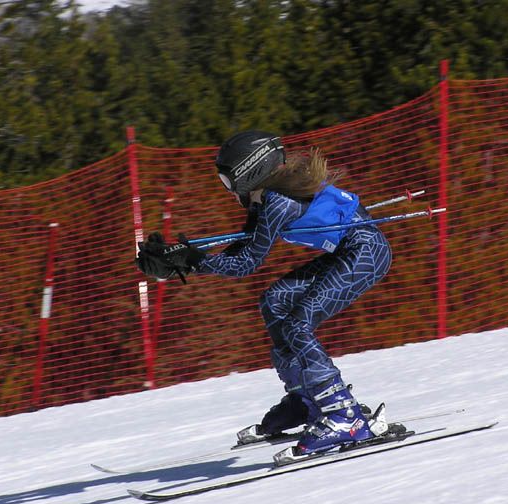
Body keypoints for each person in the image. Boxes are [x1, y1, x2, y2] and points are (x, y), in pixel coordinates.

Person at [136, 130, 393, 456]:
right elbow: (244, 244)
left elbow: (246, 262)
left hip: (366, 254)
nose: (227, 190)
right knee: (275, 302)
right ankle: (305, 401)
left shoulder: (277, 203)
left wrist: (194, 263)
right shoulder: (266, 198)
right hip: (348, 254)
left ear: (249, 172)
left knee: (297, 325)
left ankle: (345, 415)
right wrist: (184, 257)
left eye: (228, 182)